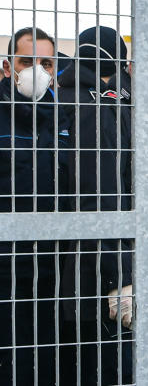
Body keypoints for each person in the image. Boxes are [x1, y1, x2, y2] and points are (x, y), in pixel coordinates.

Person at [58, 25, 133, 385]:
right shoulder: (92, 105)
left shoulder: (105, 98)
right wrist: (120, 277)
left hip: (92, 256)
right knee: (105, 365)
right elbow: (99, 194)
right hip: (100, 263)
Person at [0, 26, 66, 385]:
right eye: (28, 62)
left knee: (52, 358)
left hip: (56, 263)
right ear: (9, 67)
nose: (38, 71)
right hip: (6, 265)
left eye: (47, 63)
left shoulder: (66, 115)